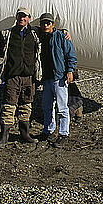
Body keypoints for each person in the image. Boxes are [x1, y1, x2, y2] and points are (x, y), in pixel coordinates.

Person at [0, 7, 42, 148]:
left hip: (28, 76)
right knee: (9, 106)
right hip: (13, 76)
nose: (22, 18)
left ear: (29, 18)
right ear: (16, 18)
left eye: (25, 16)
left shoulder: (35, 34)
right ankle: (4, 137)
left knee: (26, 105)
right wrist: (6, 55)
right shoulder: (8, 33)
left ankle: (25, 134)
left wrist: (65, 32)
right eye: (20, 16)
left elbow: (50, 34)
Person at [37, 12, 77, 148]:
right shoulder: (39, 36)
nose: (45, 25)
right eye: (43, 23)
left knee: (61, 107)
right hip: (46, 77)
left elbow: (70, 54)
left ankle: (63, 133)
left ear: (53, 25)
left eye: (48, 23)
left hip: (59, 76)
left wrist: (70, 70)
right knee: (46, 106)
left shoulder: (61, 36)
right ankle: (48, 130)